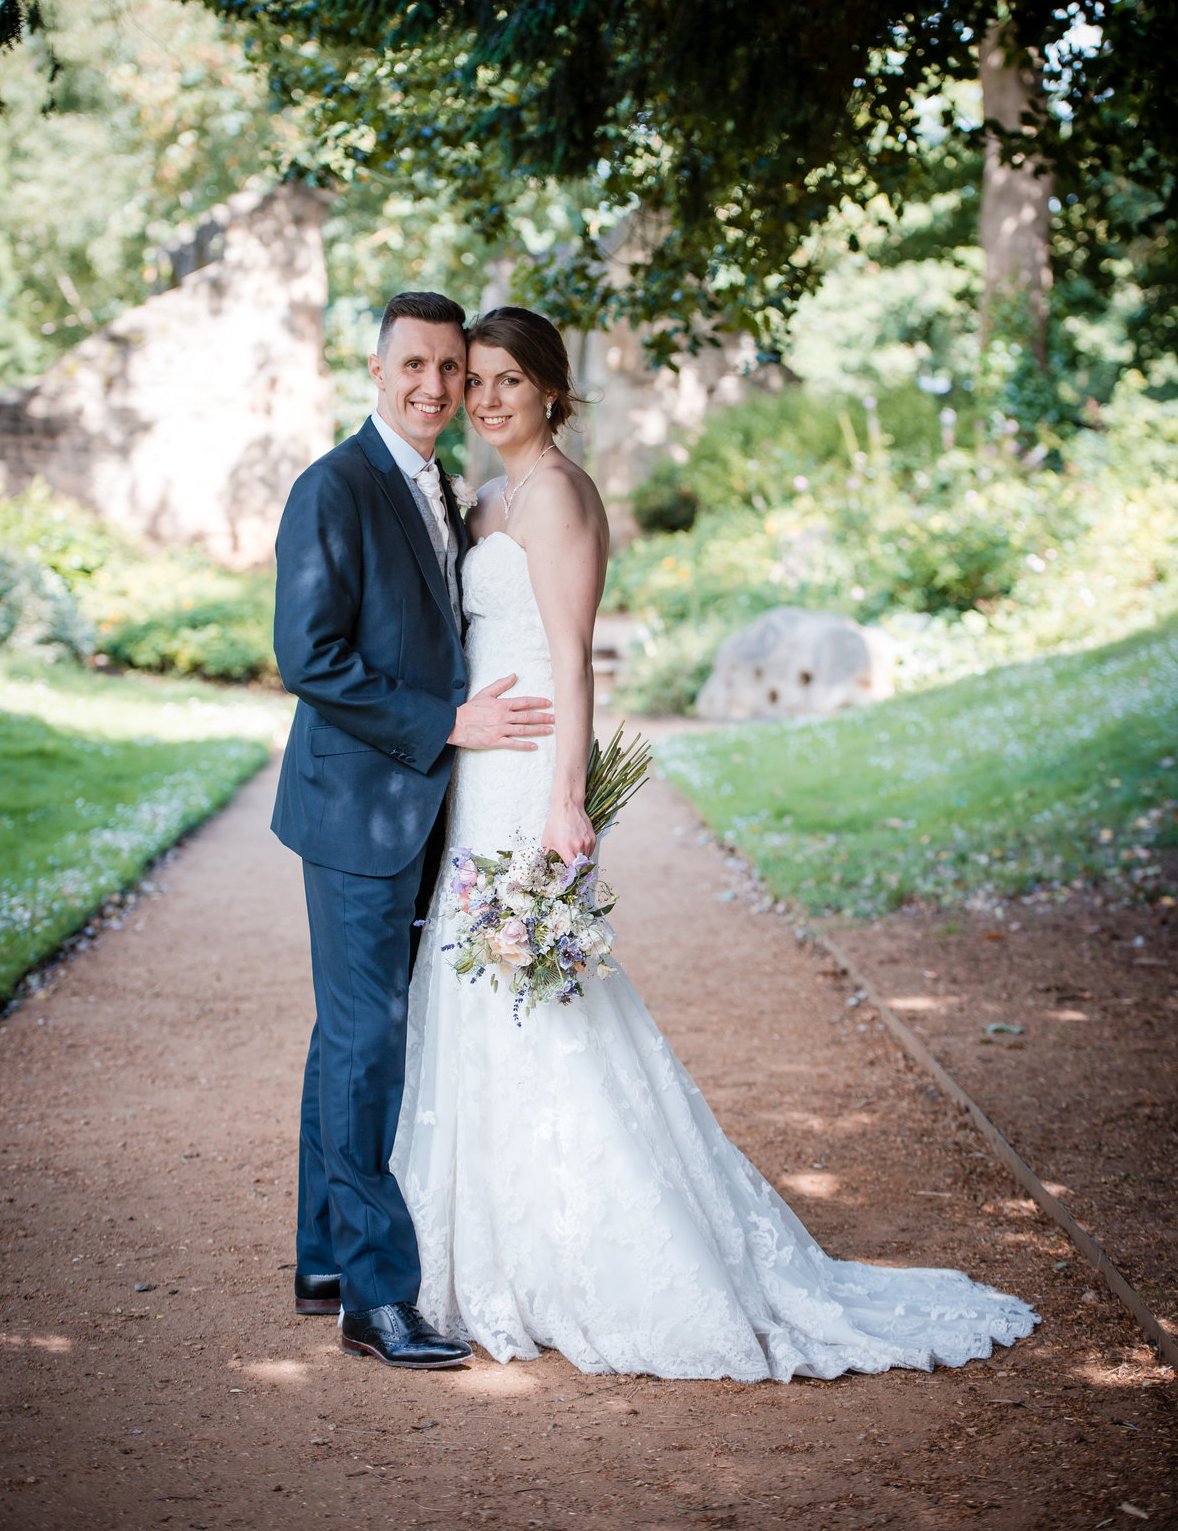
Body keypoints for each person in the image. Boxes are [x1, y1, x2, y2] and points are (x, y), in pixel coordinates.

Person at [391, 304, 1038, 1381]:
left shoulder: (555, 495)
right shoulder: (487, 497)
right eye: (480, 381)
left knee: (541, 1002)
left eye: (511, 380)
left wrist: (565, 803)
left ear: (552, 390)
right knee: (478, 995)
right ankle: (491, 1238)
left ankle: (596, 1253)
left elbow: (573, 661)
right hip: (475, 775)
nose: (490, 398)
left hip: (527, 781)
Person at [271, 290, 554, 1370]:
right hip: (357, 809)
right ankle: (377, 1299)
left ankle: (324, 1259)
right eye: (417, 366)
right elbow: (311, 656)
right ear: (377, 368)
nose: (437, 386)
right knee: (364, 1040)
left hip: (421, 804)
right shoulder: (333, 486)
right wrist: (447, 723)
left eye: (453, 366)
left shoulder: (432, 480)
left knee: (347, 1035)